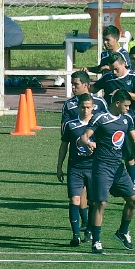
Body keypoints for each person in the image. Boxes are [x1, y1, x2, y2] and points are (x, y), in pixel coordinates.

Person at [80, 90, 135, 254]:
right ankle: (96, 241)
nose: (127, 109)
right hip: (102, 167)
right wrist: (87, 143)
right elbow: (84, 137)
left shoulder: (127, 118)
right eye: (126, 105)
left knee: (133, 199)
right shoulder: (101, 118)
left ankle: (122, 232)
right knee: (101, 203)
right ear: (117, 103)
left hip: (118, 167)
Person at [57, 93, 95, 246]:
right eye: (83, 107)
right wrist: (59, 166)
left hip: (93, 169)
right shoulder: (71, 125)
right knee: (75, 199)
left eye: (88, 107)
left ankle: (90, 230)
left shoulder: (98, 124)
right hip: (75, 168)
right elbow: (63, 146)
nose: (85, 110)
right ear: (78, 107)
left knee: (93, 201)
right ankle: (75, 235)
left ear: (93, 108)